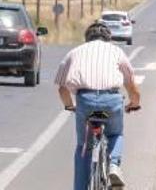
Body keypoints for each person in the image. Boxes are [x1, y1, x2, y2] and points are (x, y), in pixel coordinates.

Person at [56, 21, 141, 189]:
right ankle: (114, 165)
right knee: (115, 134)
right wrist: (134, 103)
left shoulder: (74, 53)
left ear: (87, 38)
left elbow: (62, 88)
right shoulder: (117, 52)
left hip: (85, 102)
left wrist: (69, 106)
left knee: (83, 146)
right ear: (108, 38)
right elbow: (131, 86)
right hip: (111, 101)